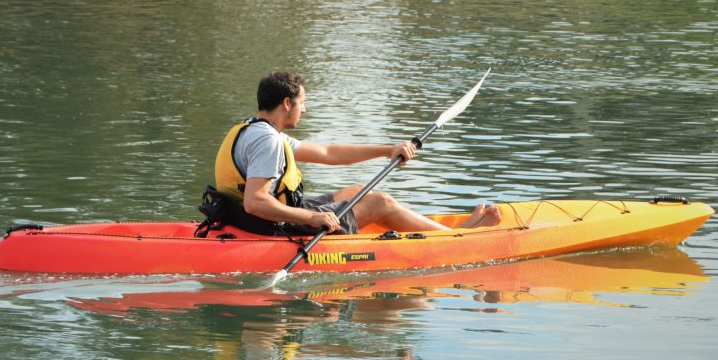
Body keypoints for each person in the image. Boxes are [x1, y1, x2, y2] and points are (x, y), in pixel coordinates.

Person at [213, 71, 502, 236]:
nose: (305, 109)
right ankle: (454, 238)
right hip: (270, 227)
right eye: (303, 103)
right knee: (380, 201)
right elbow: (255, 202)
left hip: (250, 219)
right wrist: (312, 219)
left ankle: (445, 232)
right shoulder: (269, 142)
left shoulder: (255, 130)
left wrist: (387, 150)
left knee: (359, 190)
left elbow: (328, 153)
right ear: (287, 103)